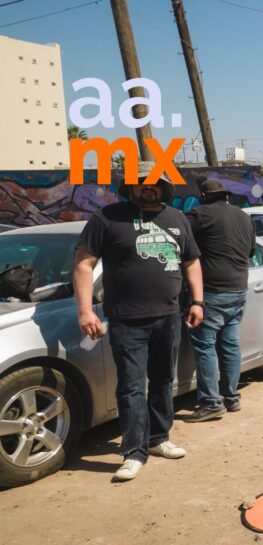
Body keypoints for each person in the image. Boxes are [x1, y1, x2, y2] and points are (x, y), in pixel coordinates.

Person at [74, 160, 203, 482]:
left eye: (154, 182)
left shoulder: (177, 219)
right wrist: (86, 310)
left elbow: (192, 262)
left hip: (169, 317)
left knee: (162, 382)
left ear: (164, 187)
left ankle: (159, 439)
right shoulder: (107, 218)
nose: (148, 186)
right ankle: (133, 452)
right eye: (141, 181)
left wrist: (198, 301)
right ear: (130, 186)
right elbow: (84, 265)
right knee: (131, 387)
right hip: (127, 321)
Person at [183, 178, 256, 422]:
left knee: (205, 348)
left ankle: (211, 403)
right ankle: (231, 398)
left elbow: (179, 246)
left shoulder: (199, 215)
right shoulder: (244, 217)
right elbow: (251, 252)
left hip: (211, 292)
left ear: (203, 196)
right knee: (230, 344)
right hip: (239, 289)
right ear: (226, 195)